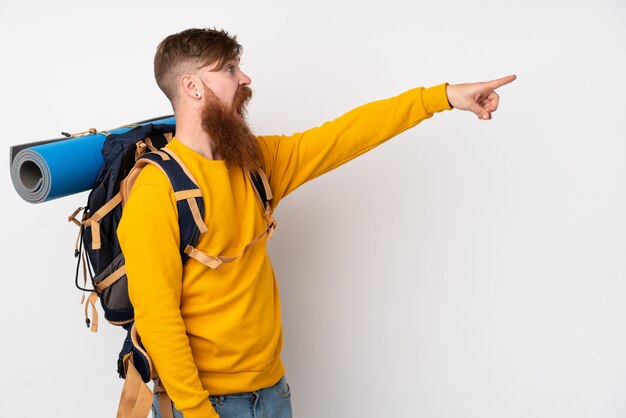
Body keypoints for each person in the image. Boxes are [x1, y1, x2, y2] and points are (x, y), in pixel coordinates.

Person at [117, 27, 516, 418]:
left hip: (273, 393)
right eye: (229, 69)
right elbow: (158, 319)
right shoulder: (157, 191)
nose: (245, 78)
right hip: (206, 405)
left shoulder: (255, 162)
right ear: (192, 86)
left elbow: (345, 135)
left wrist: (442, 97)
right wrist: (199, 412)